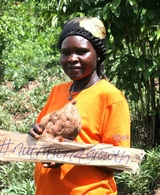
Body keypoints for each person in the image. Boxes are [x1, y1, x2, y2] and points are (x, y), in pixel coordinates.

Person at [28, 17, 131, 194]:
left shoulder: (109, 96)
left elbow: (119, 160)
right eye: (65, 52)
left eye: (81, 52)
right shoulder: (57, 91)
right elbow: (43, 137)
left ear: (98, 55)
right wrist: (35, 133)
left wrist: (71, 153)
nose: (72, 59)